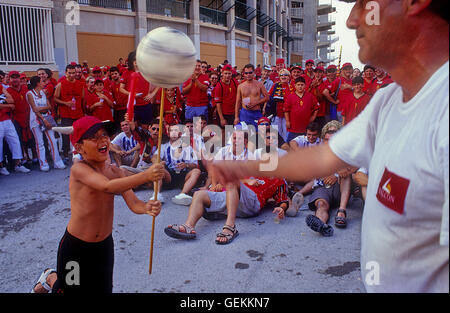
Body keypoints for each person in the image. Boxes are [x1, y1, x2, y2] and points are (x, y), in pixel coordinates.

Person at [209, 0, 449, 293]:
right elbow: (324, 156)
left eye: (364, 3)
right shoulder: (389, 100)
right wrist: (247, 166)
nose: (352, 20)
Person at [31, 116, 164, 293]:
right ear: (79, 147)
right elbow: (106, 186)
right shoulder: (79, 169)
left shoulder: (116, 171)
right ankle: (51, 277)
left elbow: (134, 203)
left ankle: (53, 278)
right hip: (75, 249)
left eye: (104, 135)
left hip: (104, 247)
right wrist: (146, 175)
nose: (102, 140)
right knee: (71, 291)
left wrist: (147, 208)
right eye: (94, 137)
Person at [164, 176, 289, 244]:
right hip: (231, 197)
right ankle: (188, 226)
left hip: (252, 202)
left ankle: (230, 226)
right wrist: (218, 185)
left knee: (231, 181)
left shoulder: (278, 179)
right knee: (199, 195)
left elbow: (283, 200)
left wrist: (281, 208)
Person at [305, 126, 354, 236]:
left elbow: (354, 167)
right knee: (321, 204)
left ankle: (342, 211)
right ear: (323, 141)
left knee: (345, 175)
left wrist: (336, 175)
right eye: (326, 140)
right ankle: (321, 224)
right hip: (323, 187)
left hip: (339, 189)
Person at [26, 76, 66, 171]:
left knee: (53, 140)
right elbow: (34, 109)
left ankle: (57, 161)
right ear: (37, 83)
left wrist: (41, 109)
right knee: (40, 143)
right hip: (36, 120)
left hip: (47, 118)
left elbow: (49, 106)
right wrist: (43, 119)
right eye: (42, 81)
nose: (44, 82)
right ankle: (43, 163)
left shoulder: (43, 93)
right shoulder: (29, 94)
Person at [154, 124, 200, 206]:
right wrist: (159, 162)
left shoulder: (187, 147)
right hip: (169, 176)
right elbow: (154, 157)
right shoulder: (164, 146)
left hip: (183, 175)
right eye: (172, 131)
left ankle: (182, 194)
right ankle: (156, 195)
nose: (174, 133)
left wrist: (186, 165)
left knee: (196, 171)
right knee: (157, 168)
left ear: (180, 134)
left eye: (176, 131)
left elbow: (195, 164)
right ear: (168, 134)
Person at [54, 64, 85, 162]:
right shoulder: (61, 84)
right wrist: (65, 103)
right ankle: (66, 154)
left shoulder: (80, 84)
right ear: (65, 73)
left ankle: (80, 153)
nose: (72, 75)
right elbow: (55, 98)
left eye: (73, 73)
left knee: (80, 135)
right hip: (66, 114)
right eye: (69, 73)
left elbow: (83, 100)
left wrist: (84, 112)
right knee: (66, 135)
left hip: (79, 114)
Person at [0, 85, 31, 175]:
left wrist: (4, 101)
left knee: (15, 141)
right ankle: (1, 166)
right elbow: (10, 103)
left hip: (6, 119)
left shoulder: (1, 86)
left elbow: (12, 100)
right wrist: (8, 104)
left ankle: (18, 164)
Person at [284, 77, 319, 142]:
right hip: (293, 126)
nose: (300, 87)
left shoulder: (310, 96)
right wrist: (287, 121)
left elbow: (316, 107)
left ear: (305, 86)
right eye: (298, 85)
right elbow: (286, 110)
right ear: (295, 86)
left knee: (304, 144)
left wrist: (313, 117)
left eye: (302, 85)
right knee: (291, 143)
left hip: (305, 126)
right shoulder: (290, 97)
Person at [235, 64, 269, 129]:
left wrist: (256, 103)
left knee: (258, 133)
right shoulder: (240, 86)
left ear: (254, 73)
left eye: (250, 72)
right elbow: (238, 102)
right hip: (244, 113)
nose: (248, 75)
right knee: (245, 134)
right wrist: (236, 117)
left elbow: (267, 97)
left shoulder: (259, 84)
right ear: (244, 74)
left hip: (256, 113)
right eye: (246, 73)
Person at [267, 68, 294, 142]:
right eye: (281, 75)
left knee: (286, 132)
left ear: (289, 77)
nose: (283, 76)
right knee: (276, 132)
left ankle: (286, 148)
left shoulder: (291, 86)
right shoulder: (275, 85)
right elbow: (269, 97)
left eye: (286, 75)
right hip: (276, 113)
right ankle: (277, 148)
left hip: (287, 114)